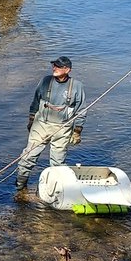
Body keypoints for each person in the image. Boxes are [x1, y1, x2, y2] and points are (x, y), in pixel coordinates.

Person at [15, 56, 86, 192]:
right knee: (28, 157)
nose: (54, 68)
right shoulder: (45, 81)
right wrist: (31, 119)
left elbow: (81, 110)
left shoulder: (77, 86)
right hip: (40, 126)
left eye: (58, 66)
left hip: (63, 129)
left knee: (58, 163)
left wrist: (77, 130)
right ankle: (20, 186)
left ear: (67, 70)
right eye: (54, 65)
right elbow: (35, 101)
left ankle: (57, 191)